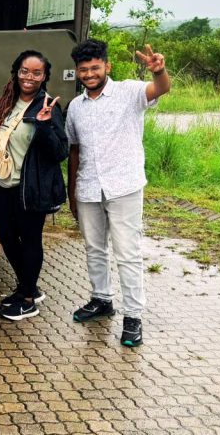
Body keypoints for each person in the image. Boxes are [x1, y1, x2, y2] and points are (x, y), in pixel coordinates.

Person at [65, 39, 171, 347]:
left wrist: (159, 71)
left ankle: (133, 318)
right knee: (94, 249)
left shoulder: (128, 92)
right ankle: (101, 299)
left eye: (95, 67)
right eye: (83, 69)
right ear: (77, 72)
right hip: (88, 187)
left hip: (124, 186)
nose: (89, 74)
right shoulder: (75, 107)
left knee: (127, 253)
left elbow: (160, 89)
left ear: (107, 66)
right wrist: (73, 192)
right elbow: (75, 150)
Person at [0, 51, 68, 322]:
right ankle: (28, 286)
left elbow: (60, 151)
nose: (29, 77)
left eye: (36, 73)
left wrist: (45, 126)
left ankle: (27, 299)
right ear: (16, 71)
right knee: (6, 237)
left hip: (30, 186)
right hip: (4, 184)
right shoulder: (8, 102)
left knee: (30, 239)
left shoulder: (46, 106)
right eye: (25, 71)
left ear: (45, 76)